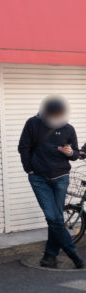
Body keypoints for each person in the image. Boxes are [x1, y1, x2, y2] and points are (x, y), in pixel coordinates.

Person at [18, 96, 84, 269]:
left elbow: (76, 154)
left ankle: (50, 255)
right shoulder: (33, 123)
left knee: (56, 218)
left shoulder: (68, 128)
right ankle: (73, 254)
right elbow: (23, 147)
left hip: (61, 177)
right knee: (53, 217)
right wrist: (29, 169)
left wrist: (70, 152)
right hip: (39, 178)